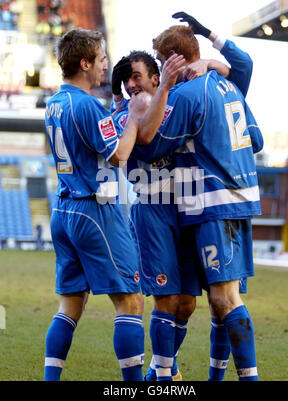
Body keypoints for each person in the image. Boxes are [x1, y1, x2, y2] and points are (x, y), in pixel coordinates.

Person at [112, 17, 256, 381]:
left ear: (170, 63)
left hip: (207, 202)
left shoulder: (184, 95)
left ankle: (206, 375)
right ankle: (163, 375)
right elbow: (256, 137)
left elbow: (151, 142)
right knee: (185, 300)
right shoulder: (226, 86)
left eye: (154, 66)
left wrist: (204, 64)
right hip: (193, 203)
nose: (133, 84)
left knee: (216, 300)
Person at [43, 27, 185, 381]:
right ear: (85, 62)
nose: (107, 66)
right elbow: (120, 155)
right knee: (131, 300)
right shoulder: (88, 105)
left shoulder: (54, 103)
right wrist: (135, 118)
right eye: (102, 59)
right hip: (95, 209)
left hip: (62, 210)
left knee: (70, 306)